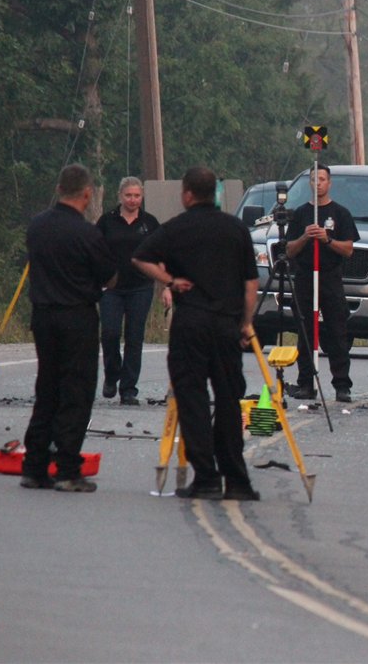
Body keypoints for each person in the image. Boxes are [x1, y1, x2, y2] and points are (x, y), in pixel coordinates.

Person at [132, 166, 261, 501]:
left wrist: (170, 281)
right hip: (226, 324)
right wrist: (245, 323)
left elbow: (141, 257)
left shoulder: (177, 227)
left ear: (187, 194)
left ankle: (206, 477)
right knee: (229, 400)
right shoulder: (236, 229)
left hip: (191, 322)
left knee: (193, 400)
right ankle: (237, 480)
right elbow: (251, 285)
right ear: (214, 193)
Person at [22, 164, 118, 492]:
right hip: (77, 316)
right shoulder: (87, 233)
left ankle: (34, 466)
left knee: (47, 387)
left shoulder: (37, 226)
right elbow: (109, 277)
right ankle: (66, 468)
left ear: (59, 188)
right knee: (76, 390)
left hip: (43, 315)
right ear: (87, 194)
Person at [284, 164, 359, 403]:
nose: (318, 183)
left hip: (330, 277)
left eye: (322, 179)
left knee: (337, 331)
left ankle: (342, 385)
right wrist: (305, 236)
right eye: (314, 179)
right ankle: (305, 383)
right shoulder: (300, 214)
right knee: (305, 331)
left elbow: (348, 249)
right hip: (305, 277)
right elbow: (289, 249)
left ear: (329, 182)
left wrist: (327, 239)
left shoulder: (341, 213)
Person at [96, 177, 168, 405]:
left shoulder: (150, 223)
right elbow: (95, 252)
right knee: (110, 333)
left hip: (141, 287)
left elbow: (161, 255)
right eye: (128, 195)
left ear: (142, 197)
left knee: (134, 337)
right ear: (120, 196)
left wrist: (165, 287)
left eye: (137, 196)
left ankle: (128, 389)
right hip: (111, 288)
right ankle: (112, 374)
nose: (133, 200)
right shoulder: (107, 221)